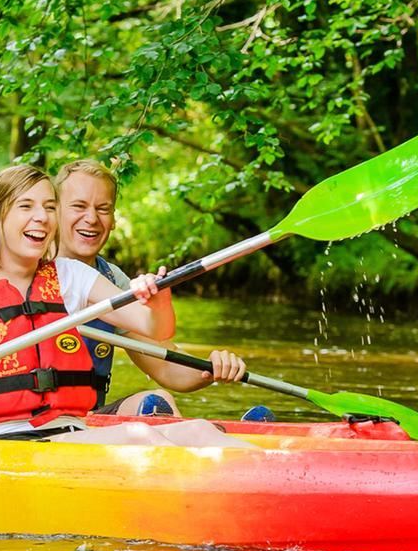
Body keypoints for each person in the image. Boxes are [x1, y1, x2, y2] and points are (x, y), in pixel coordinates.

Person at [0, 164, 254, 449]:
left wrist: (158, 295)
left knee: (199, 429)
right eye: (26, 207)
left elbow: (154, 328)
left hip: (70, 432)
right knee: (142, 435)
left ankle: (272, 479)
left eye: (48, 206)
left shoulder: (69, 275)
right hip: (5, 444)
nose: (42, 217)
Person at [54, 159, 273, 422]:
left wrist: (210, 369)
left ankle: (224, 445)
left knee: (156, 402)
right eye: (78, 206)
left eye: (103, 209)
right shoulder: (23, 268)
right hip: (29, 422)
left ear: (113, 220)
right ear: (54, 212)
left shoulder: (113, 280)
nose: (91, 219)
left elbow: (166, 366)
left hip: (85, 419)